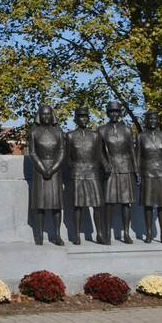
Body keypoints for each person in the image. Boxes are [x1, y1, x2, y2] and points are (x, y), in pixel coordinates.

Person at [99, 100, 139, 244]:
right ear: (107, 113)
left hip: (125, 168)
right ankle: (107, 233)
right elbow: (99, 151)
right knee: (108, 202)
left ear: (120, 113)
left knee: (125, 203)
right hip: (110, 169)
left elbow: (132, 152)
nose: (114, 114)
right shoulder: (102, 130)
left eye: (116, 111)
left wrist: (136, 171)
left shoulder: (127, 130)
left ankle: (126, 233)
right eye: (111, 112)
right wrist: (105, 164)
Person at [65, 105, 105, 245]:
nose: (83, 119)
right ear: (76, 119)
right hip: (77, 172)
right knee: (78, 205)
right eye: (80, 116)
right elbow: (68, 156)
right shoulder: (70, 135)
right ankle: (76, 235)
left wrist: (98, 166)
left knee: (97, 205)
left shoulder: (95, 136)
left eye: (85, 116)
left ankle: (99, 234)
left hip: (92, 172)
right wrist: (74, 168)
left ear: (88, 119)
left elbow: (99, 154)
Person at [28, 102, 65, 246]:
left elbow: (62, 151)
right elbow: (32, 152)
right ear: (39, 116)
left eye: (48, 114)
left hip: (55, 170)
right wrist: (42, 168)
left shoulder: (59, 132)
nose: (46, 116)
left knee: (56, 205)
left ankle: (57, 234)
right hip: (40, 170)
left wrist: (53, 168)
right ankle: (40, 235)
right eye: (43, 114)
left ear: (52, 115)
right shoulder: (34, 132)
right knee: (40, 204)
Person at [137, 110, 162, 244]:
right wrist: (138, 174)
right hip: (147, 173)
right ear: (146, 121)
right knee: (148, 204)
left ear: (158, 121)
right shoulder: (140, 136)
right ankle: (149, 233)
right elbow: (138, 157)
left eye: (154, 119)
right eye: (149, 119)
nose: (152, 121)